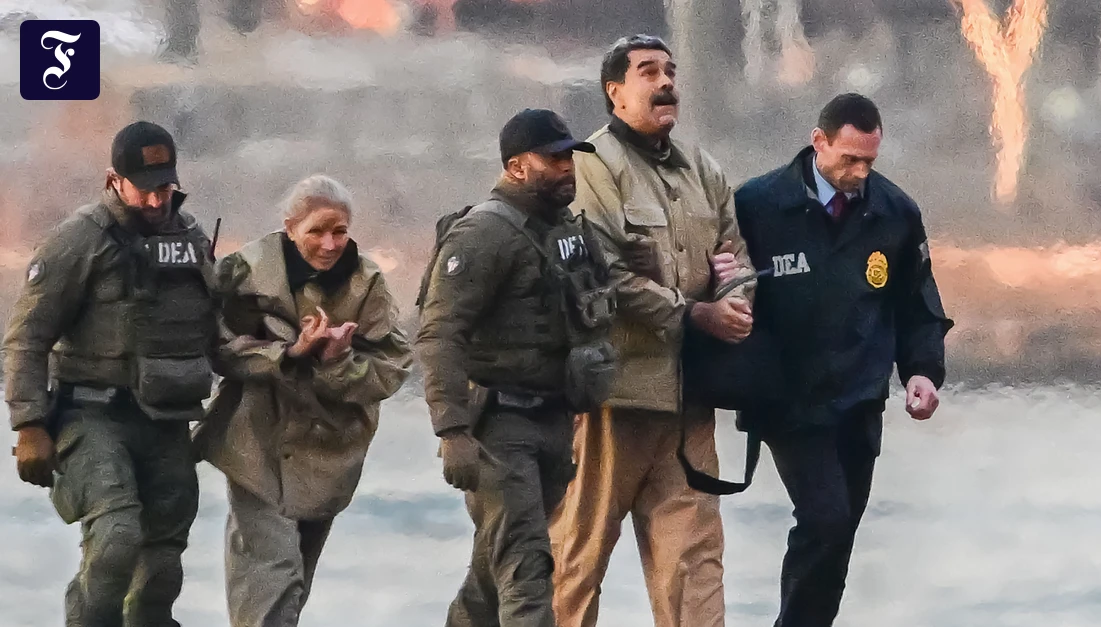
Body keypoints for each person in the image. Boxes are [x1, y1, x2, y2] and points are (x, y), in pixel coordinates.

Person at [548, 34, 756, 627]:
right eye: (647, 72)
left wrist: (735, 301)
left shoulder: (703, 169)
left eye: (670, 71)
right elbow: (600, 272)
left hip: (689, 402)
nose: (665, 82)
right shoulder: (592, 165)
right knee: (576, 561)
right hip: (612, 400)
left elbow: (736, 255)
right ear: (615, 92)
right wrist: (694, 313)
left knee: (695, 571)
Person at [728, 93, 955, 627]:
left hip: (859, 401)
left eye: (869, 161)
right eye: (850, 159)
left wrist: (922, 372)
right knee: (824, 520)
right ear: (819, 142)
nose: (860, 173)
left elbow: (918, 305)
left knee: (839, 536)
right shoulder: (757, 205)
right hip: (788, 401)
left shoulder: (895, 212)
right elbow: (720, 288)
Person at [4, 120, 216, 627]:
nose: (156, 200)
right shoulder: (79, 240)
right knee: (117, 538)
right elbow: (27, 336)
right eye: (144, 189)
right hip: (90, 414)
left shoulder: (189, 238)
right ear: (113, 181)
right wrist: (29, 424)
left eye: (165, 186)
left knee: (162, 564)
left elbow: (214, 324)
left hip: (165, 417)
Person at [416, 108, 614, 627]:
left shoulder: (565, 231)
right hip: (499, 429)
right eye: (553, 158)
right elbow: (440, 334)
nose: (567, 167)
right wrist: (452, 429)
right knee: (527, 569)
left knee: (492, 575)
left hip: (554, 421)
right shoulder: (484, 233)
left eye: (570, 156)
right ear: (516, 166)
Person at [192, 174, 413, 627]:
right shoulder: (247, 271)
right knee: (271, 574)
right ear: (290, 227)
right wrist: (288, 352)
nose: (330, 244)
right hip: (258, 443)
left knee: (296, 581)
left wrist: (337, 361)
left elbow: (391, 368)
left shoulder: (366, 283)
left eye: (340, 231)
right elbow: (216, 346)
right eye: (317, 231)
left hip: (328, 449)